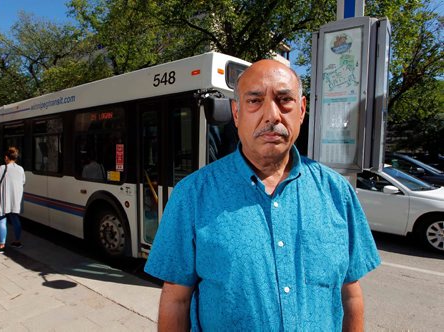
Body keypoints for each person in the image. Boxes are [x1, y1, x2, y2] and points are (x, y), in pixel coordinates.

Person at [144, 59, 380, 331]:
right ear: (236, 113)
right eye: (255, 101)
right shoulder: (192, 195)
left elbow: (350, 293)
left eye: (284, 100)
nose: (271, 115)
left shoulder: (338, 193)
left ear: (301, 110)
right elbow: (176, 299)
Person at [0, 147, 26, 253]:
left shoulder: (3, 167)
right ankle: (17, 241)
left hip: (4, 198)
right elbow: (23, 181)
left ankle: (1, 245)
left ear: (6, 157)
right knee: (15, 219)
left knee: (1, 219)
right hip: (16, 199)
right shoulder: (20, 169)